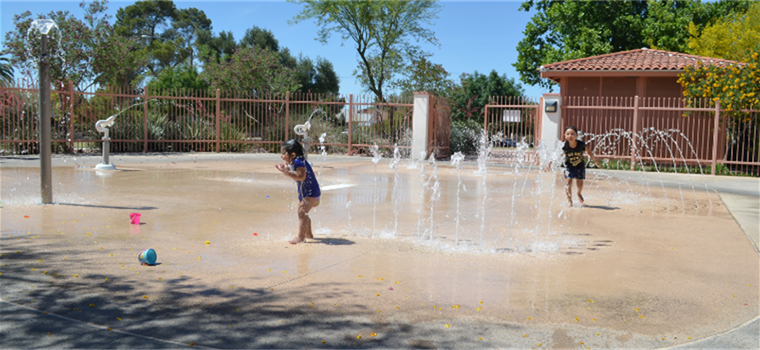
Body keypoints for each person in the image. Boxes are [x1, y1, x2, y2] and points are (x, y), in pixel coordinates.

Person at [275, 139, 321, 244]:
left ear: (293, 154)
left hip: (311, 193)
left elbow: (301, 176)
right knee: (302, 213)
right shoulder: (295, 162)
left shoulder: (298, 161)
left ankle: (301, 237)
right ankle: (308, 234)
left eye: (283, 153)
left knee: (301, 213)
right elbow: (295, 175)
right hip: (306, 193)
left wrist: (287, 172)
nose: (281, 156)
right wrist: (285, 171)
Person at [547, 126, 601, 207]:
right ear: (565, 135)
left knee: (579, 182)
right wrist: (549, 164)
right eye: (568, 134)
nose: (570, 136)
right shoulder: (564, 145)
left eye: (572, 134)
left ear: (576, 135)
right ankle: (569, 200)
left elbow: (589, 151)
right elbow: (556, 154)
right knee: (568, 182)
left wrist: (595, 161)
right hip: (569, 166)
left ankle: (579, 193)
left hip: (580, 166)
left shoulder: (581, 145)